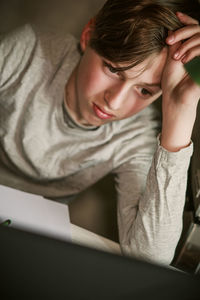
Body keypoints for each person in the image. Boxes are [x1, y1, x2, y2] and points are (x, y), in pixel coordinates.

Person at [0, 0, 200, 265]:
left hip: (26, 237)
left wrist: (181, 113)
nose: (114, 102)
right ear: (87, 36)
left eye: (145, 91)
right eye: (113, 69)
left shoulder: (137, 136)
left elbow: (150, 257)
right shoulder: (25, 52)